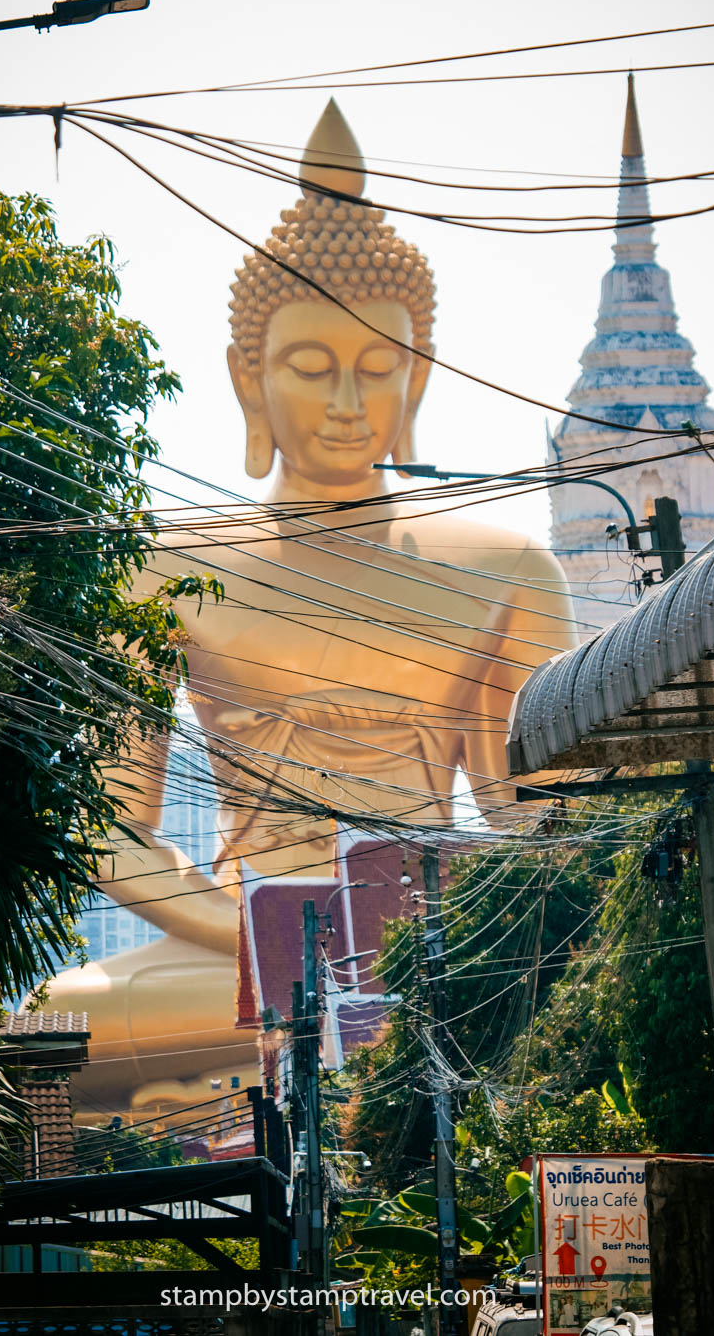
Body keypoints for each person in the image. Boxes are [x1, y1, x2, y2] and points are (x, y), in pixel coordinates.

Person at [45, 101, 578, 1113]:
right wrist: (270, 940)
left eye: (377, 368)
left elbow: (538, 827)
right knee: (74, 1016)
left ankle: (356, 1040)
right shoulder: (167, 564)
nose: (345, 402)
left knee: (532, 996)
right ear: (249, 378)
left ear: (416, 374)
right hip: (237, 944)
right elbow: (107, 832)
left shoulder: (507, 567)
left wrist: (434, 946)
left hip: (438, 950)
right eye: (309, 366)